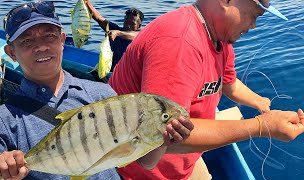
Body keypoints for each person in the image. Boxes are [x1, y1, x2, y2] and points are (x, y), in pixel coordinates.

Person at [0, 1, 193, 179]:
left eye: (49, 36)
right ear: (11, 52)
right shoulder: (2, 123)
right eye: (27, 41)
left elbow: (145, 162)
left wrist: (164, 139)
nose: (41, 47)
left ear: (62, 41)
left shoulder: (102, 94)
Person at [108, 0, 304, 179]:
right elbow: (160, 137)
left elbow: (229, 83)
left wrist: (260, 103)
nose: (253, 25)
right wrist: (261, 126)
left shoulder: (219, 37)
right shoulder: (179, 43)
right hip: (140, 173)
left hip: (183, 164)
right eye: (254, 16)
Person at [84, 0, 144, 70]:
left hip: (128, 74)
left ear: (139, 26)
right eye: (126, 22)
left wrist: (118, 33)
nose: (128, 25)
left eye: (132, 24)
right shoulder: (115, 29)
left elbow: (136, 36)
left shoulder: (141, 35)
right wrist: (86, 2)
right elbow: (99, 18)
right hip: (110, 70)